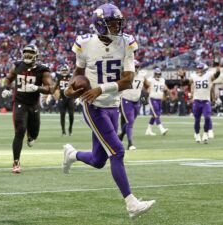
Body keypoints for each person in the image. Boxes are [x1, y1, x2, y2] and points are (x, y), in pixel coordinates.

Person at [62, 3, 155, 218]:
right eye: (112, 23)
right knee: (118, 151)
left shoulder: (127, 43)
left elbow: (129, 81)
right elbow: (78, 74)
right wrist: (70, 89)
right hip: (93, 106)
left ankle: (72, 154)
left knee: (98, 160)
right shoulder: (85, 44)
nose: (117, 27)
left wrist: (101, 88)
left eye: (118, 23)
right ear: (100, 25)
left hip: (113, 104)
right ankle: (131, 204)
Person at [1, 44, 52, 173]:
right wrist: (7, 89)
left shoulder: (43, 70)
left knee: (34, 134)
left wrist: (37, 88)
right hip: (19, 103)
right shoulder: (17, 65)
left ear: (36, 55)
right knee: (20, 130)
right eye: (26, 52)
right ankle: (16, 162)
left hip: (34, 104)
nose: (28, 55)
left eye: (30, 53)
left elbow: (49, 88)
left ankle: (31, 136)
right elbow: (8, 79)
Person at [118, 60, 149, 150]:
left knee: (130, 122)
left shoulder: (142, 76)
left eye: (137, 67)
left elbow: (147, 86)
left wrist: (143, 95)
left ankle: (121, 135)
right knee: (130, 122)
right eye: (134, 67)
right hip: (126, 100)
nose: (135, 69)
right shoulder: (124, 75)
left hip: (136, 102)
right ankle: (130, 143)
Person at [190, 63, 221, 143]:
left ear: (204, 69)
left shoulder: (209, 75)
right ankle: (197, 135)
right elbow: (186, 82)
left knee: (207, 117)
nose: (199, 70)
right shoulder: (193, 75)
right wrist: (182, 77)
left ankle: (205, 133)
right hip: (196, 100)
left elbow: (216, 75)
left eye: (200, 68)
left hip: (205, 101)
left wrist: (218, 69)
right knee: (197, 120)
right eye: (198, 68)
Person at [145, 68, 169, 136]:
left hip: (159, 99)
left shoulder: (162, 80)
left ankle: (148, 130)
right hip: (152, 99)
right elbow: (146, 84)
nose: (158, 75)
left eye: (159, 74)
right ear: (154, 74)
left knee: (154, 115)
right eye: (156, 74)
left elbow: (165, 88)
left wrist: (166, 94)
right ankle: (161, 129)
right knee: (156, 114)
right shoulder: (151, 79)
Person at [54, 65, 75, 136]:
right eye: (63, 71)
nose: (64, 72)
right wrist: (55, 94)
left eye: (65, 70)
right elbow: (55, 87)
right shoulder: (59, 77)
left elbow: (76, 87)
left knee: (71, 114)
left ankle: (70, 129)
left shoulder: (71, 77)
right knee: (62, 115)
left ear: (68, 71)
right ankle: (63, 131)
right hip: (62, 98)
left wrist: (77, 97)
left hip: (70, 98)